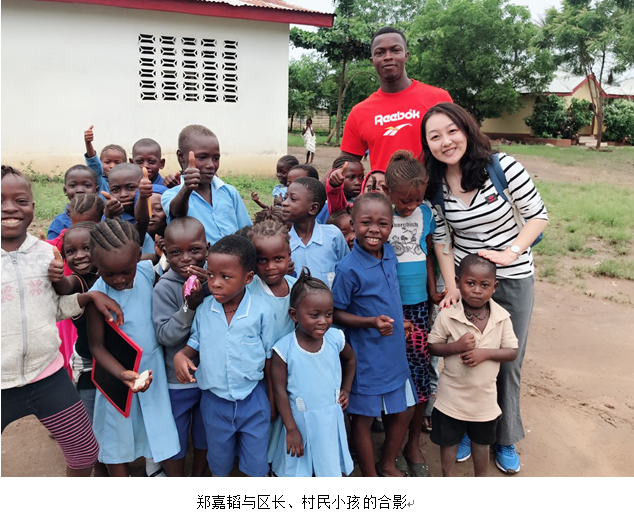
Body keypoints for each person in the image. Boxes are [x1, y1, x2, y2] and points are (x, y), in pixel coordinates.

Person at [422, 102, 548, 473]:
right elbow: (442, 238)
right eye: (435, 136)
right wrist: (451, 286)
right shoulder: (435, 185)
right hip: (466, 282)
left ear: (466, 129)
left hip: (513, 277)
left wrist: (511, 252)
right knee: (461, 357)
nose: (446, 142)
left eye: (452, 131)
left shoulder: (501, 166)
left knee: (506, 359)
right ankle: (467, 429)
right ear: (427, 144)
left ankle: (504, 435)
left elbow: (537, 216)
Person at [1, 165, 123, 477]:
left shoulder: (46, 254)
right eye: (1, 200)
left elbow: (54, 309)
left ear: (33, 206)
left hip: (47, 374)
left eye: (20, 201)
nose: (10, 208)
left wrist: (87, 298)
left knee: (84, 452)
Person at [174, 235, 276, 477]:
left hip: (253, 400)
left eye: (225, 277)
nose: (215, 284)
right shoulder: (204, 310)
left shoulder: (262, 311)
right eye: (210, 275)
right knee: (219, 463)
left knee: (256, 465)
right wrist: (181, 355)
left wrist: (272, 402)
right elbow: (195, 343)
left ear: (248, 278)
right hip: (214, 402)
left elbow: (270, 359)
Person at [86, 218, 180, 476]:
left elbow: (157, 259)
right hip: (117, 374)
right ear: (96, 264)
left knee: (160, 425)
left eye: (126, 271)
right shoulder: (98, 296)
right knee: (117, 432)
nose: (119, 279)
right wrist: (121, 374)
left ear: (137, 256)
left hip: (153, 368)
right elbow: (97, 347)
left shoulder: (146, 271)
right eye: (109, 274)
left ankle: (167, 475)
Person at [331, 193, 416, 477]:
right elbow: (336, 313)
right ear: (353, 224)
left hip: (393, 352)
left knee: (404, 410)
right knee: (364, 419)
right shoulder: (348, 269)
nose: (374, 230)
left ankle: (387, 463)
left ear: (392, 226)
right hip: (367, 357)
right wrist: (370, 322)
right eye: (366, 222)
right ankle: (370, 475)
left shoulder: (389, 253)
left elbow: (388, 296)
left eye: (383, 223)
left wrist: (398, 321)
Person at [384, 150, 457, 477]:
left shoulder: (426, 213)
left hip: (417, 308)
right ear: (387, 191)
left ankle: (412, 444)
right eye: (404, 200)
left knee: (418, 375)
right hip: (389, 308)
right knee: (390, 374)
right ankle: (391, 443)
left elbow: (427, 253)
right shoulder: (381, 214)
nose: (410, 206)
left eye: (416, 199)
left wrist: (431, 291)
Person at [428, 254, 518, 477]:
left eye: (484, 285)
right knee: (448, 442)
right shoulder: (448, 315)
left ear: (495, 287)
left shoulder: (502, 317)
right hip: (451, 399)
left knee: (481, 443)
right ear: (458, 283)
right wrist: (456, 347)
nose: (477, 290)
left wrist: (485, 353)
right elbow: (432, 347)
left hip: (484, 401)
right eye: (470, 283)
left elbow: (512, 352)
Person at [270, 269, 356, 477]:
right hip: (299, 421)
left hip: (330, 418)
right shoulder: (284, 349)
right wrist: (291, 429)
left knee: (328, 464)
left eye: (328, 314)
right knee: (298, 467)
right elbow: (280, 391)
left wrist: (346, 389)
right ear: (294, 315)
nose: (323, 321)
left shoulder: (335, 339)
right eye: (314, 315)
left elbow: (351, 360)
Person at [336, 26, 452, 173]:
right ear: (372, 61)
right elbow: (344, 164)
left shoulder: (438, 99)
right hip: (384, 188)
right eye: (380, 52)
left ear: (406, 55)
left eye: (395, 50)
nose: (388, 56)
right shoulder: (359, 113)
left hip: (434, 187)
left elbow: (460, 148)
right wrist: (314, 184)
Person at [152, 217, 210, 477]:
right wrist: (189, 306)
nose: (186, 258)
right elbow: (165, 336)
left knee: (204, 433)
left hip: (211, 378)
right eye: (176, 252)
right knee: (174, 434)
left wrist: (209, 287)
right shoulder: (164, 288)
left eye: (194, 250)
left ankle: (198, 477)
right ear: (165, 253)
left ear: (207, 248)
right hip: (178, 382)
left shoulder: (216, 281)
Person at [161, 124, 251, 246]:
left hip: (235, 257)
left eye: (216, 158)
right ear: (181, 157)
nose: (211, 165)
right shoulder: (171, 195)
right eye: (202, 157)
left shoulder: (229, 192)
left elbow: (246, 231)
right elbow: (177, 213)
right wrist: (187, 188)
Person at [281, 177, 349, 288]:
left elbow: (346, 269)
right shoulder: (283, 242)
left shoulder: (333, 235)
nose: (284, 203)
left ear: (313, 208)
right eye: (285, 198)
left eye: (292, 199)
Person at [102, 163, 156, 256]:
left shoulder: (155, 207)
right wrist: (109, 214)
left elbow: (142, 221)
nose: (123, 195)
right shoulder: (110, 213)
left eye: (130, 188)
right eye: (115, 190)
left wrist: (142, 197)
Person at [47, 165, 99, 239]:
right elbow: (52, 245)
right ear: (65, 190)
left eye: (87, 185)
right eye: (73, 186)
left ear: (96, 190)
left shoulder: (103, 218)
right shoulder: (60, 222)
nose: (80, 190)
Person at [83, 124, 127, 193]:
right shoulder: (99, 181)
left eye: (117, 163)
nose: (112, 166)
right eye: (107, 162)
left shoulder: (129, 183)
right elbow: (94, 163)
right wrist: (88, 143)